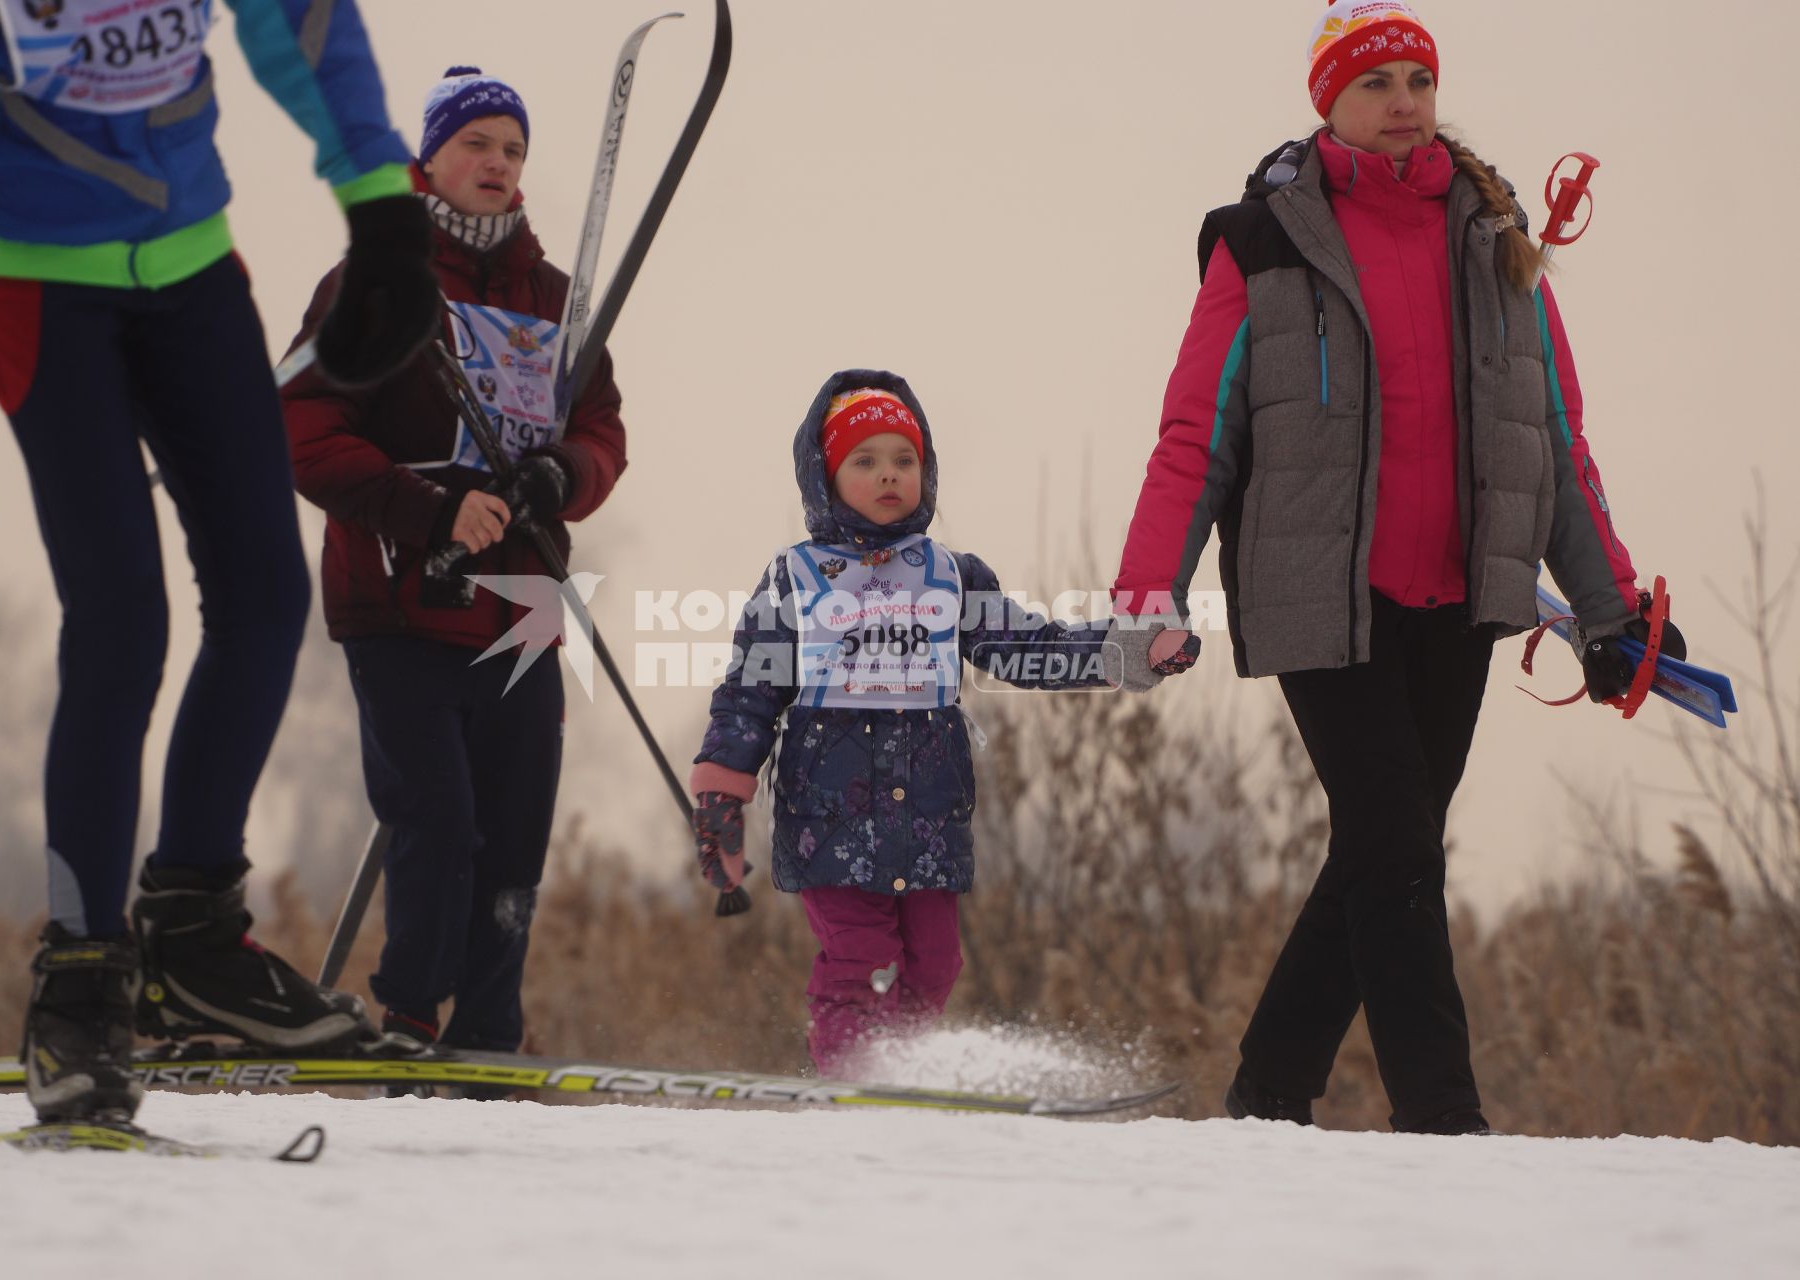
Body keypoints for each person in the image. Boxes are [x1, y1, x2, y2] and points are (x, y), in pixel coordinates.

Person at [1106, 0, 1684, 1134]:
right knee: (1396, 850)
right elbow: (1196, 435)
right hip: (1321, 596)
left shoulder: (1496, 236)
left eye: (1416, 79)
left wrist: (1611, 611)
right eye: (1374, 83)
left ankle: (1267, 1089)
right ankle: (1442, 1115)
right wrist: (1144, 594)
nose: (1401, 101)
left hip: (1460, 599)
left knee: (1385, 850)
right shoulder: (1262, 240)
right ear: (1325, 101)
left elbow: (1553, 440)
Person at [0, 1, 440, 1126]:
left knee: (265, 594)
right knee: (121, 617)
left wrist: (380, 204)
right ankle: (81, 981)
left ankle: (189, 933)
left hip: (191, 257)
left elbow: (305, 21)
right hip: (38, 273)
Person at [691, 370, 1197, 1075]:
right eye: (864, 461)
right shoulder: (795, 579)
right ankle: (849, 1082)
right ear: (825, 476)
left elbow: (1028, 650)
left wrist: (1128, 648)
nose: (889, 475)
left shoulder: (950, 576)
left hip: (929, 818)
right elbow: (749, 692)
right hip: (828, 819)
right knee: (862, 962)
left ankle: (899, 1078)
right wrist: (722, 794)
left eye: (905, 460)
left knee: (934, 966)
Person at [282, 67, 628, 1055]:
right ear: (429, 157)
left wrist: (560, 477)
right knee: (435, 816)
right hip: (400, 595)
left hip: (523, 603)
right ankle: (408, 1013)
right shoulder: (371, 283)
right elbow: (303, 426)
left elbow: (601, 428)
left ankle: (487, 1034)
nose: (496, 163)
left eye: (512, 150)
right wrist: (430, 506)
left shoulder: (558, 300)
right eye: (476, 143)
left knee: (515, 829)